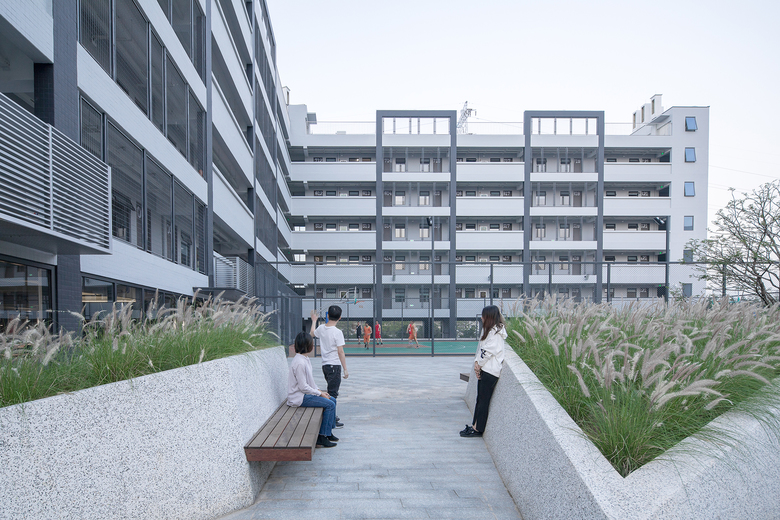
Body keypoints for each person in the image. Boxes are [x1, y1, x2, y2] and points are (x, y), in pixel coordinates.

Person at [460, 305, 507, 438]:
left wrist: (478, 365)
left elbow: (487, 352)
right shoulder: (491, 331)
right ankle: (475, 425)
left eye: (483, 316)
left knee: (483, 401)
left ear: (489, 317)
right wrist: (477, 364)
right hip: (486, 369)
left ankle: (478, 428)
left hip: (490, 372)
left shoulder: (496, 334)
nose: (481, 318)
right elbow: (482, 349)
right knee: (480, 399)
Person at [287, 332, 338, 448]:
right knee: (330, 404)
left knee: (333, 400)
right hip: (299, 397)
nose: (313, 346)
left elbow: (310, 382)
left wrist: (320, 391)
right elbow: (303, 387)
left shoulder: (305, 359)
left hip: (304, 394)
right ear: (307, 345)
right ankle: (322, 436)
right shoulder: (299, 363)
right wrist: (319, 394)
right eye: (312, 343)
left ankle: (328, 432)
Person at [311, 307, 348, 428]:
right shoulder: (337, 332)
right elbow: (340, 352)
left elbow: (312, 333)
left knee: (331, 391)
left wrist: (314, 320)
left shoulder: (321, 328)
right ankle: (331, 419)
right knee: (333, 393)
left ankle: (333, 416)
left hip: (325, 366)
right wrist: (345, 369)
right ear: (340, 317)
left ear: (328, 316)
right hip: (334, 365)